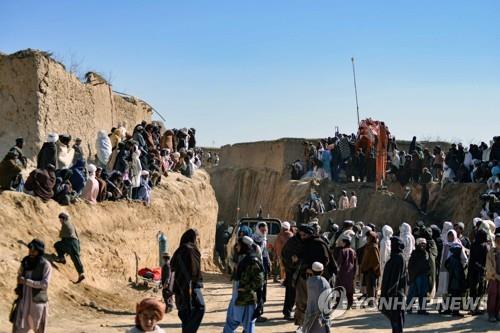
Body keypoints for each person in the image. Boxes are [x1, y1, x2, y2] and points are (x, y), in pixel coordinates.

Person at [223, 236, 264, 333]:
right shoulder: (245, 259)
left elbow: (259, 280)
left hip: (247, 299)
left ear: (244, 246)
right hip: (237, 297)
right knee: (230, 322)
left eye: (239, 245)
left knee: (248, 324)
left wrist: (246, 288)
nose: (237, 247)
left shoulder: (253, 260)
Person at [12, 239, 52, 333]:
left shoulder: (46, 265)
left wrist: (26, 282)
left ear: (39, 251)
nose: (31, 252)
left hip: (36, 302)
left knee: (36, 328)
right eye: (30, 250)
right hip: (23, 300)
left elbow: (44, 284)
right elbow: (19, 275)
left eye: (34, 250)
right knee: (18, 327)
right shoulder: (25, 261)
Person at [295, 224, 331, 330]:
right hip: (304, 277)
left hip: (317, 278)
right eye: (300, 235)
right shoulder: (303, 244)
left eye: (304, 235)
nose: (302, 237)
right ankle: (303, 325)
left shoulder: (318, 244)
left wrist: (313, 269)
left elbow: (325, 260)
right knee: (302, 302)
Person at [171, 229, 205, 333]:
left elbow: (173, 267)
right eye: (197, 239)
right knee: (199, 308)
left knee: (186, 315)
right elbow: (192, 272)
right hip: (190, 288)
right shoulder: (190, 250)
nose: (198, 241)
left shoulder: (180, 250)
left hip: (180, 289)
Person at [379, 237, 407, 333]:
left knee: (397, 320)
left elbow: (395, 278)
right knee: (394, 320)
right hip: (393, 294)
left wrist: (389, 293)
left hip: (396, 295)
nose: (391, 247)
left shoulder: (399, 258)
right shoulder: (395, 257)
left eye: (393, 245)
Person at [53, 213, 85, 283]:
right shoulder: (70, 223)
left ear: (63, 219)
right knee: (76, 258)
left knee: (57, 245)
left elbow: (62, 236)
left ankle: (62, 258)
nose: (60, 221)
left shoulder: (65, 224)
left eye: (60, 219)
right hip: (74, 243)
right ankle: (81, 273)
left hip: (71, 243)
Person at [281, 226, 304, 321]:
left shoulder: (302, 241)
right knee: (291, 292)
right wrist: (292, 261)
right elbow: (285, 254)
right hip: (292, 271)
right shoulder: (293, 242)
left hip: (298, 271)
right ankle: (287, 312)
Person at [302, 262, 331, 333]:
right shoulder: (325, 282)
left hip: (310, 311)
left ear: (312, 271)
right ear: (322, 271)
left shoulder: (309, 281)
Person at [468, 229, 489, 315]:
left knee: (473, 290)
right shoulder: (485, 246)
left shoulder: (473, 244)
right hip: (481, 271)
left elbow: (471, 259)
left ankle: (472, 308)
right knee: (481, 289)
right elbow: (486, 260)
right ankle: (477, 308)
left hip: (472, 270)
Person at [252, 222, 270, 322]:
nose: (264, 231)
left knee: (263, 291)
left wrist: (268, 263)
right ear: (258, 229)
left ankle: (259, 312)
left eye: (265, 230)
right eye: (262, 230)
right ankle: (256, 314)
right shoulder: (254, 239)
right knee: (258, 291)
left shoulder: (263, 239)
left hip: (263, 269)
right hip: (257, 269)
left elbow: (265, 253)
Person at [407, 238, 431, 314]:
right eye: (421, 243)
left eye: (424, 243)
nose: (423, 245)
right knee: (412, 292)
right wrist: (413, 275)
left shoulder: (426, 253)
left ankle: (422, 309)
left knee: (423, 293)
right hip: (415, 276)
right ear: (417, 244)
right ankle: (409, 307)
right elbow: (410, 266)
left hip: (423, 275)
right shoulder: (414, 254)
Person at [445, 244, 467, 317]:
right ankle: (455, 312)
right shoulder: (457, 261)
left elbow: (446, 264)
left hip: (452, 281)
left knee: (453, 296)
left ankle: (451, 310)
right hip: (456, 282)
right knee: (457, 297)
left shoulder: (451, 258)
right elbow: (458, 274)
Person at [335, 235, 357, 308]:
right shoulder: (353, 251)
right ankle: (349, 304)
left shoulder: (342, 251)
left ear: (345, 242)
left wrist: (337, 271)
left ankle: (338, 303)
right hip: (351, 273)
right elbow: (355, 263)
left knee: (339, 287)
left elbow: (339, 262)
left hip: (342, 272)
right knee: (349, 289)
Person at [360, 231, 380, 306]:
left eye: (368, 237)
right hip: (367, 270)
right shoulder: (368, 246)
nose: (367, 238)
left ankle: (372, 302)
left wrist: (372, 269)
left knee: (372, 287)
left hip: (371, 270)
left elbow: (376, 261)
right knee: (369, 287)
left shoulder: (373, 247)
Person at [485, 233, 500, 322]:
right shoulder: (491, 252)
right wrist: (495, 275)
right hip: (493, 277)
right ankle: (491, 314)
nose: (499, 241)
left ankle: (497, 313)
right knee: (492, 295)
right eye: (497, 239)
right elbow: (488, 265)